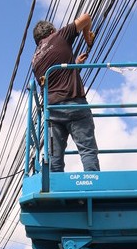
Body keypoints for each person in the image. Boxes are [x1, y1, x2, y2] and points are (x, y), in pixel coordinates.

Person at [32, 12, 100, 172]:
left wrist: (75, 64)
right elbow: (86, 18)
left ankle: (54, 193)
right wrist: (87, 37)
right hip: (74, 105)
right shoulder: (59, 36)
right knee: (87, 150)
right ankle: (93, 187)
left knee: (54, 157)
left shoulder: (35, 59)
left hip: (52, 112)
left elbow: (56, 77)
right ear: (51, 32)